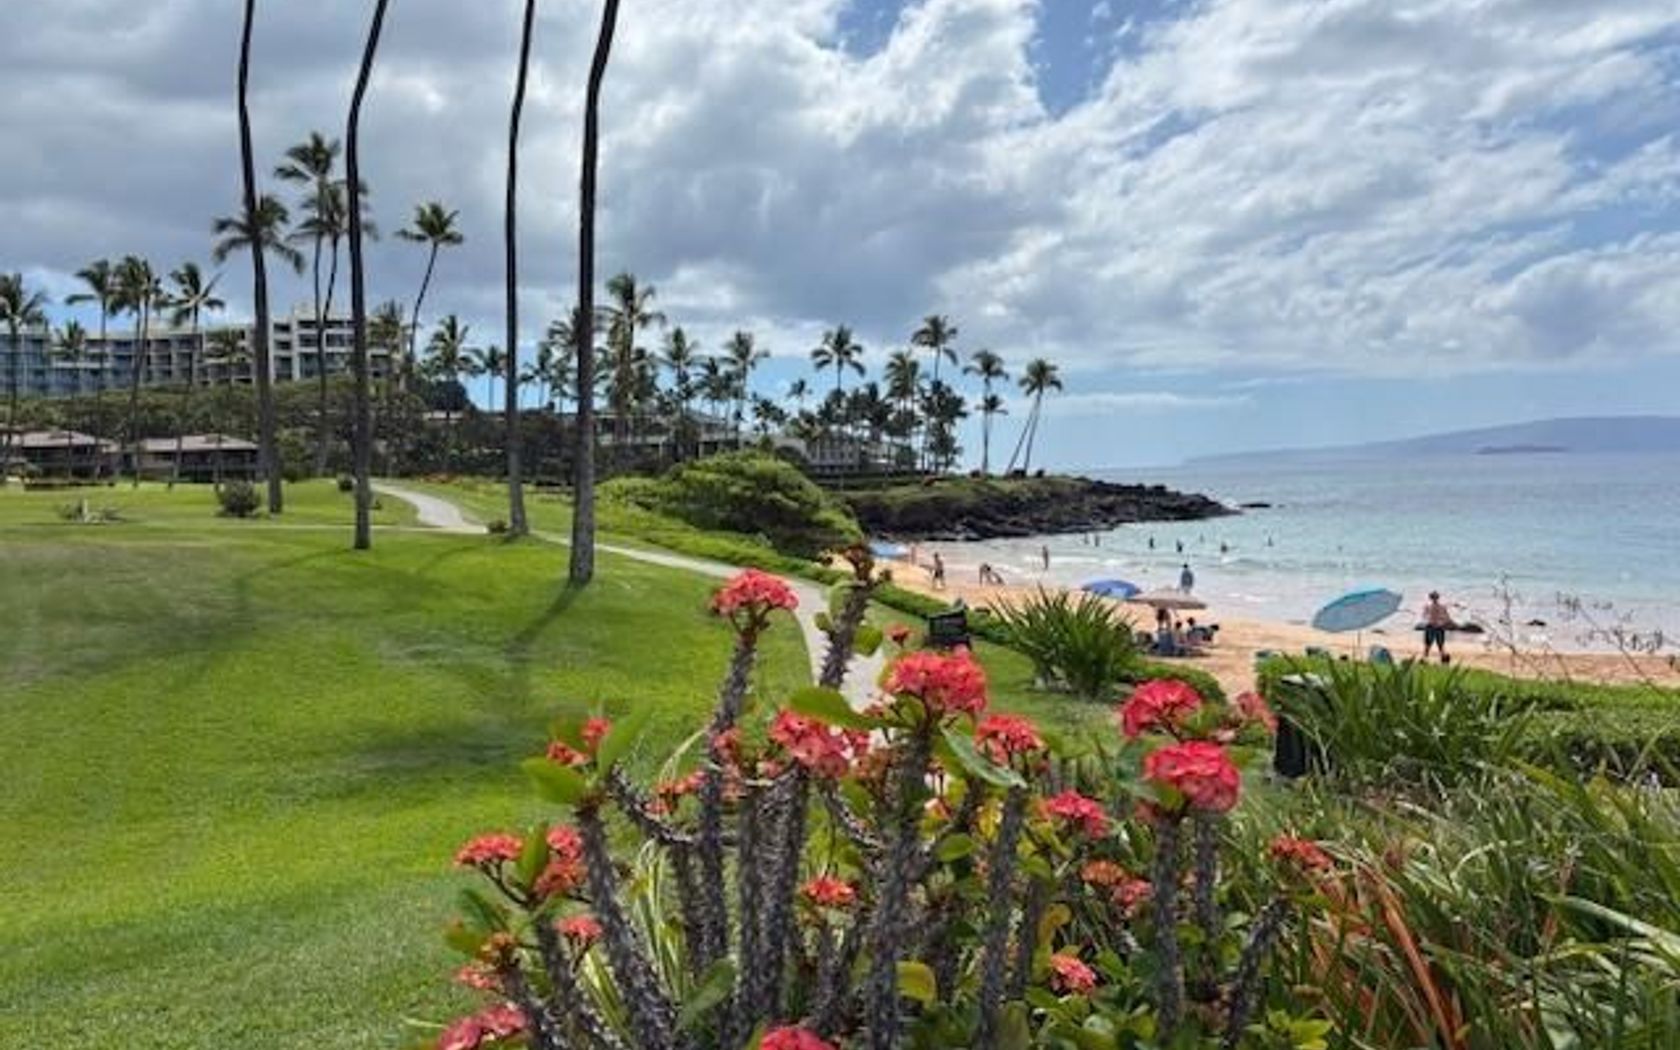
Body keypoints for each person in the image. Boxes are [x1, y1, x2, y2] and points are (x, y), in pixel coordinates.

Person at [1422, 590, 1453, 663]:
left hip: (1433, 627)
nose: (1434, 599)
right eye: (1434, 597)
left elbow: (1424, 617)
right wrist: (1442, 622)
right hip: (1437, 627)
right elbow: (1447, 618)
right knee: (1437, 645)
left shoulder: (1429, 607)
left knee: (1430, 645)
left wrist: (1439, 621)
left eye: (1434, 597)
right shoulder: (1440, 607)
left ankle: (1426, 658)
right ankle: (1442, 658)